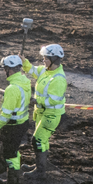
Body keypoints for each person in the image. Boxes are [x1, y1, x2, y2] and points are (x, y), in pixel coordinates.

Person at [0, 56, 32, 184]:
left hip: (13, 126)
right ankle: (13, 180)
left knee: (9, 155)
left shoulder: (12, 89)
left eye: (4, 69)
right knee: (14, 152)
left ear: (9, 70)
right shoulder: (25, 82)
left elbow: (6, 113)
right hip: (22, 123)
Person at [23, 43, 68, 177]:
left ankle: (40, 171)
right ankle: (39, 165)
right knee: (42, 141)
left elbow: (53, 100)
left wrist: (37, 101)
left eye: (45, 58)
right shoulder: (46, 70)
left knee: (37, 140)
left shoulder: (58, 79)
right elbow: (33, 70)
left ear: (54, 59)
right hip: (41, 112)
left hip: (51, 115)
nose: (43, 60)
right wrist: (24, 62)